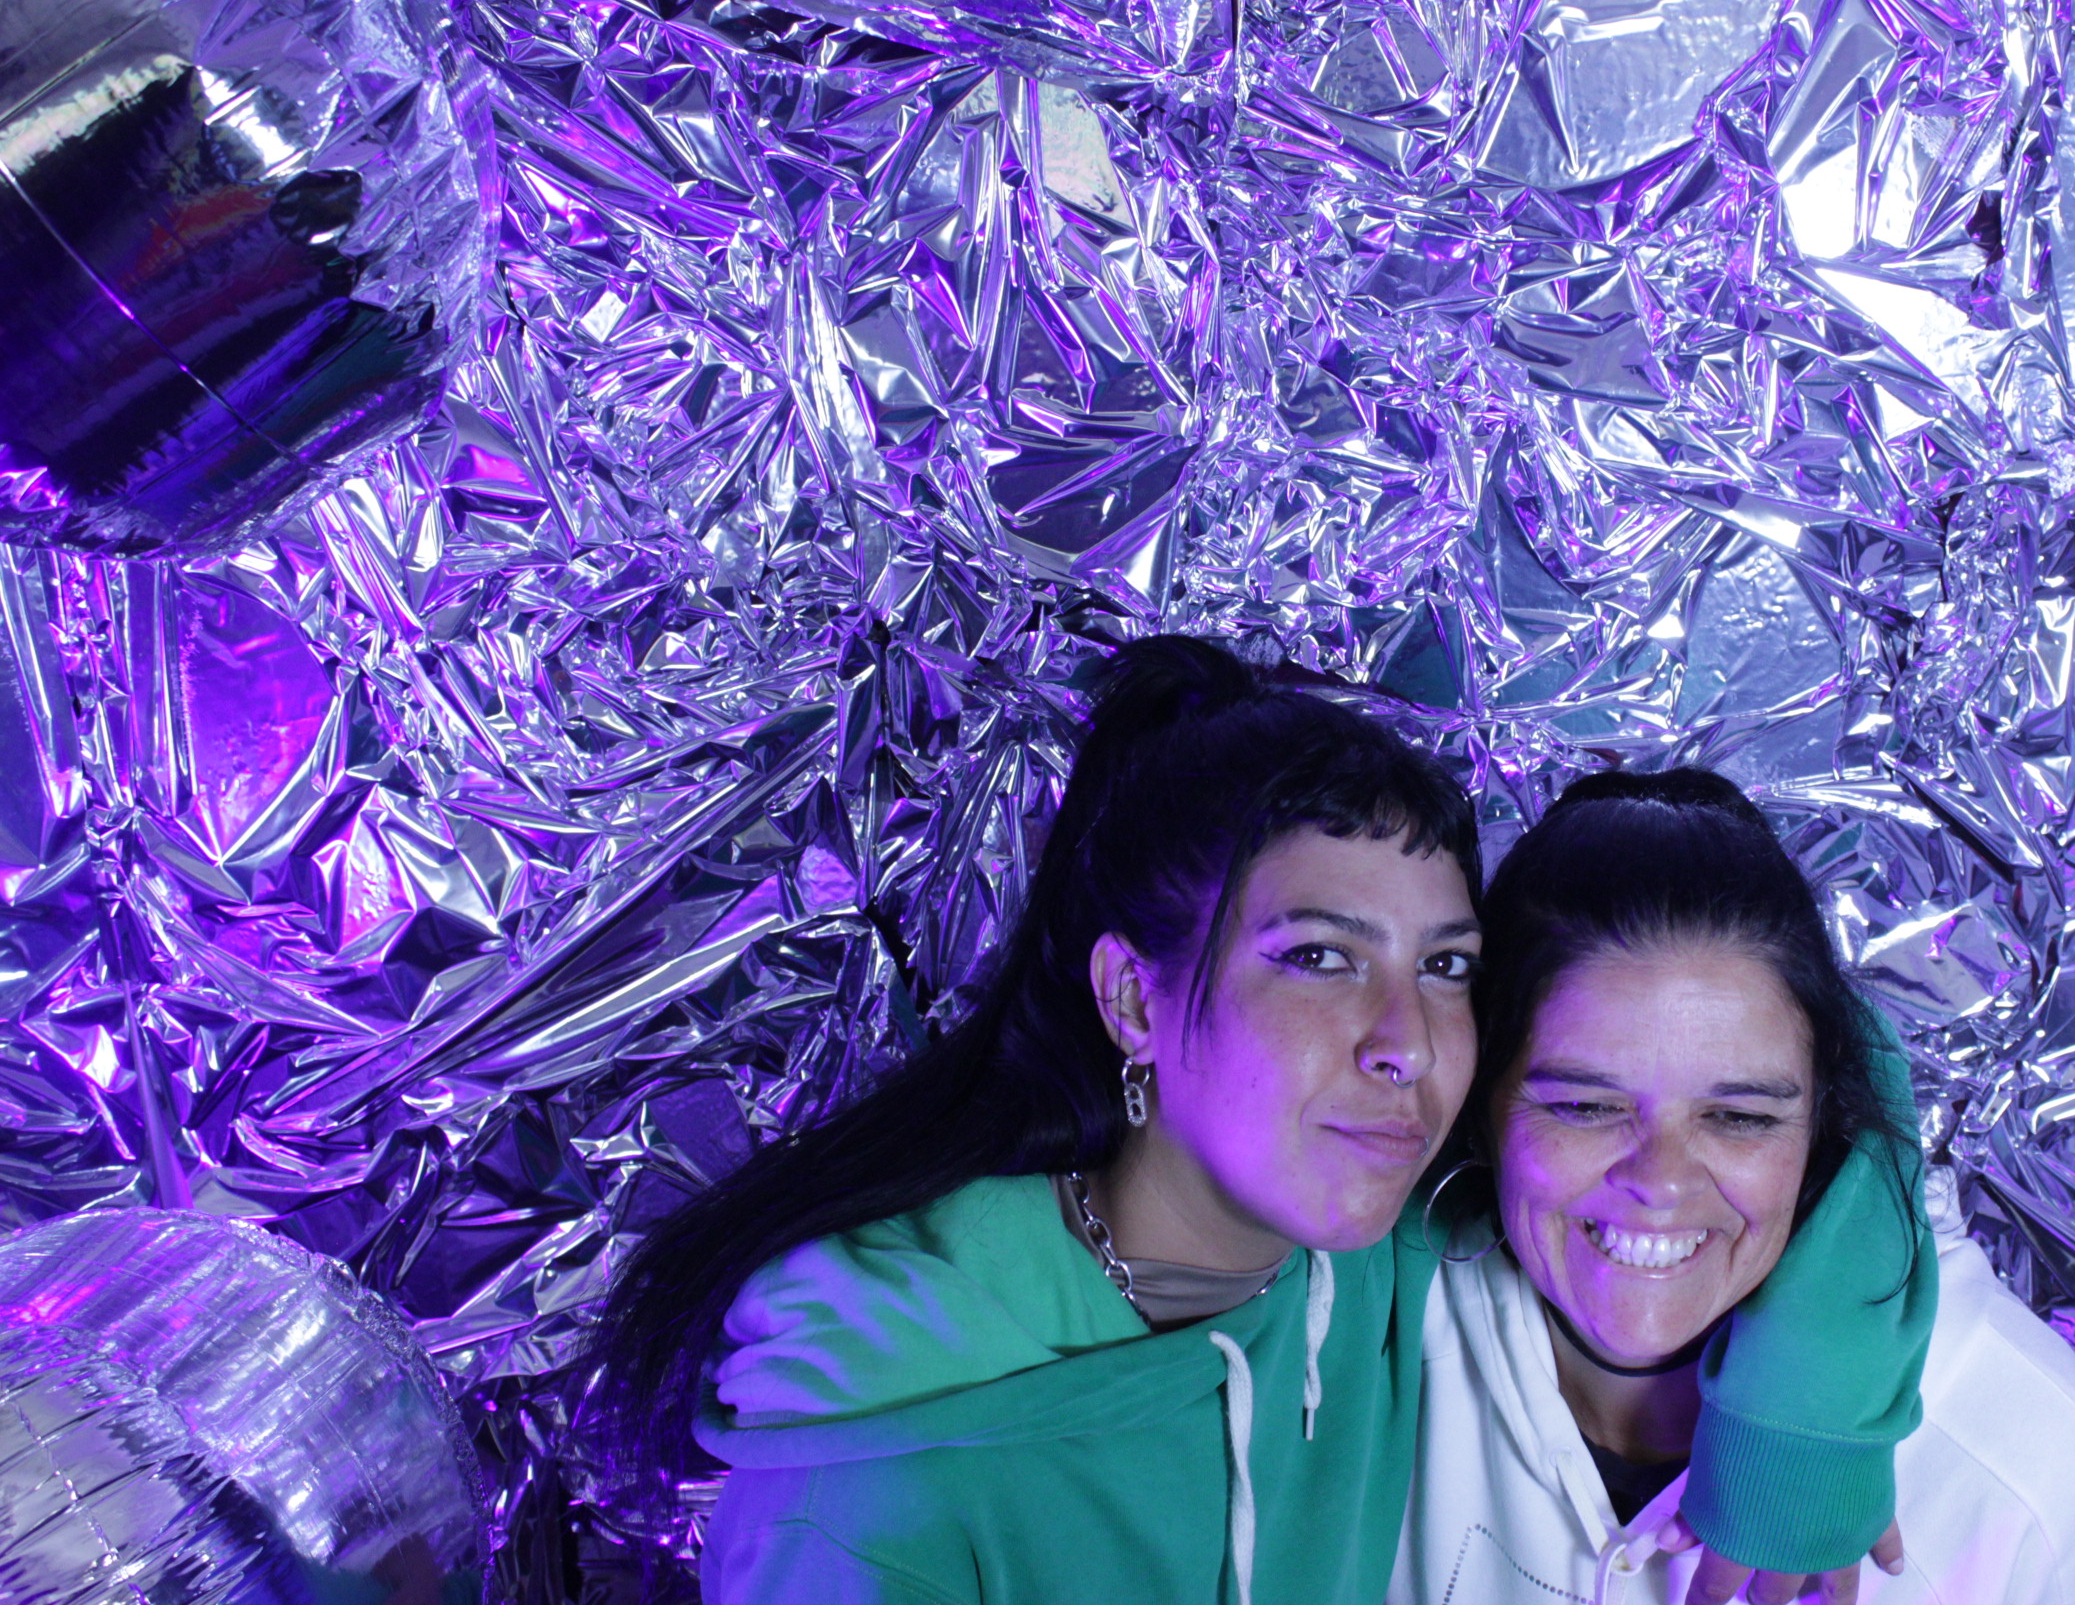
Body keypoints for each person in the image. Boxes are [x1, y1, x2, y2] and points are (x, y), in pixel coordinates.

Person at [586, 639, 1935, 1604]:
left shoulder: (1372, 1244)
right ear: (1133, 997)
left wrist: (1802, 1427)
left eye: (1446, 966)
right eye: (1319, 957)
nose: (1405, 1040)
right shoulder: (878, 1479)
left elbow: (1783, 1048)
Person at [1392, 770, 2075, 1605]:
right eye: (1585, 1106)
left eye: (1739, 1117)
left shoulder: (2027, 1471)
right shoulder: (1358, 1339)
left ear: (1824, 1125)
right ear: (1480, 1106)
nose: (1661, 1181)